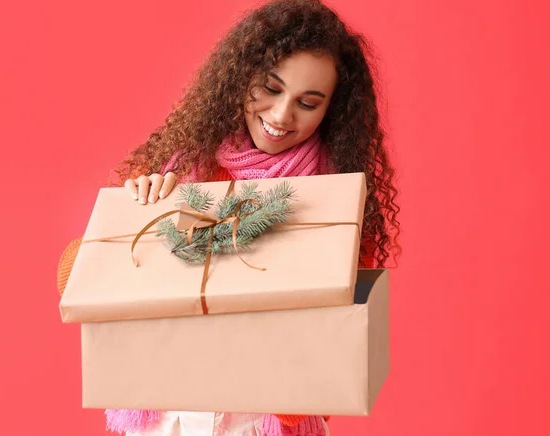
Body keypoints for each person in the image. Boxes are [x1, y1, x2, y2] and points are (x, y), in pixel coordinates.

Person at [57, 0, 400, 434]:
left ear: (330, 110)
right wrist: (137, 219)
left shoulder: (337, 203)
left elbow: (341, 343)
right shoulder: (184, 167)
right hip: (168, 416)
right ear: (242, 76)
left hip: (268, 420)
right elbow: (74, 286)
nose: (281, 115)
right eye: (271, 89)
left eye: (307, 103)